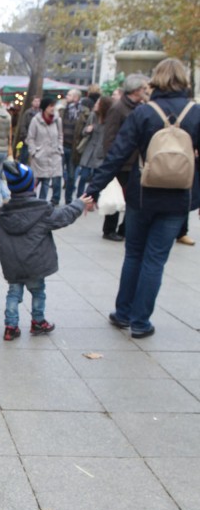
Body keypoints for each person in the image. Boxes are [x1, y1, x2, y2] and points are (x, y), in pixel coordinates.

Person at [86, 57, 200, 338]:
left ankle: (123, 313)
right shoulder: (196, 113)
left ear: (155, 79)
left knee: (134, 254)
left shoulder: (144, 113)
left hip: (142, 195)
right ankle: (141, 322)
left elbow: (117, 154)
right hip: (178, 198)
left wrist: (93, 189)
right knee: (155, 260)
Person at [0, 162, 92, 340]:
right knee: (38, 292)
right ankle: (38, 321)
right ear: (31, 185)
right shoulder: (42, 210)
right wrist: (78, 204)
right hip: (35, 264)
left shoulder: (4, 214)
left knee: (13, 294)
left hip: (13, 265)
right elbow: (63, 216)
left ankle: (10, 326)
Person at [99, 73, 148, 241]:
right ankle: (109, 229)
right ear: (135, 90)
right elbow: (109, 137)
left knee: (133, 198)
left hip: (136, 161)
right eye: (143, 88)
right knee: (116, 196)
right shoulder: (118, 108)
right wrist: (111, 161)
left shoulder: (141, 108)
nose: (145, 91)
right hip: (121, 162)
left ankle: (125, 229)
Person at [27, 97, 63, 204]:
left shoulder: (57, 120)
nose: (53, 108)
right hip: (39, 156)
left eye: (54, 106)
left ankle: (41, 204)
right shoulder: (35, 120)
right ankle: (30, 201)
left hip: (53, 155)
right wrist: (34, 152)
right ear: (44, 107)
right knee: (35, 181)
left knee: (47, 181)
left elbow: (60, 135)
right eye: (50, 106)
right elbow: (30, 138)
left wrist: (59, 148)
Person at [76, 95, 112, 195]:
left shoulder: (110, 118)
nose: (95, 105)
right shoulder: (93, 115)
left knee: (96, 178)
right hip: (89, 150)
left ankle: (92, 196)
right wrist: (87, 130)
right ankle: (80, 196)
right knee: (83, 176)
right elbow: (84, 132)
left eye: (98, 103)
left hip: (100, 152)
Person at [59, 89, 83, 204]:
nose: (66, 97)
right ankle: (55, 198)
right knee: (57, 173)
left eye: (69, 95)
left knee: (71, 175)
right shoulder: (63, 110)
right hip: (61, 146)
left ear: (76, 98)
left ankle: (68, 199)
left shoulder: (82, 112)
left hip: (74, 148)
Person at [18, 95, 40, 163]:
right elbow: (23, 125)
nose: (37, 103)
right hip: (27, 138)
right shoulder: (27, 113)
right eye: (35, 101)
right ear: (32, 102)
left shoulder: (41, 113)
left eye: (38, 101)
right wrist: (25, 136)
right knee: (24, 157)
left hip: (38, 140)